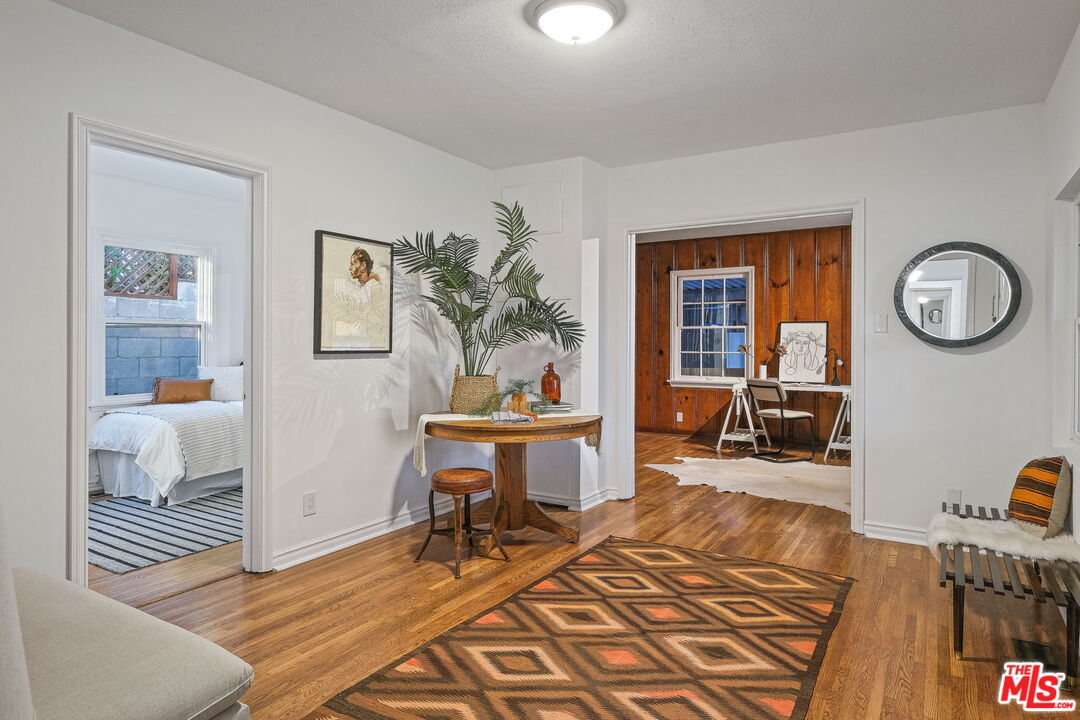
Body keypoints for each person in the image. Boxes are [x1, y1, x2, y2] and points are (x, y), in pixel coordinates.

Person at [331, 246, 388, 348]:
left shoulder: (374, 286)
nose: (350, 268)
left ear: (363, 265)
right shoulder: (357, 287)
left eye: (353, 263)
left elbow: (378, 318)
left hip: (368, 341)